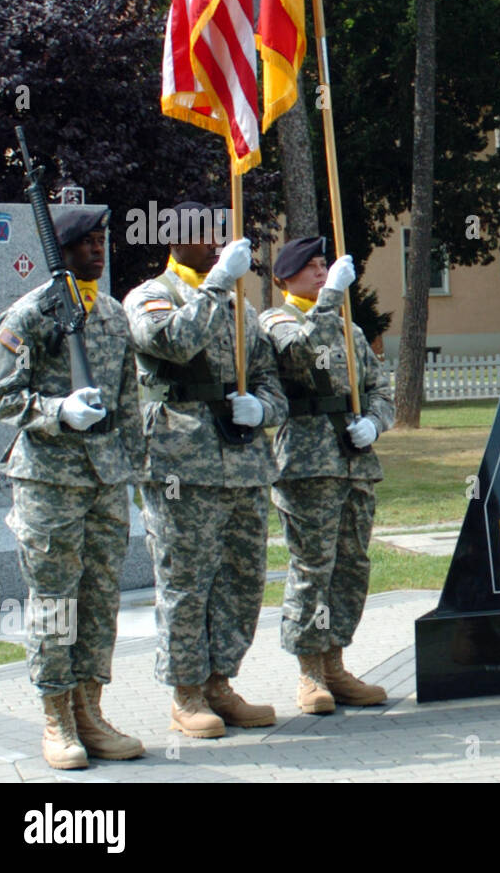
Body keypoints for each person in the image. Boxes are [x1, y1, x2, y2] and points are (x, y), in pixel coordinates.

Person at [0, 206, 145, 770]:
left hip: (104, 479)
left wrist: (140, 473)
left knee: (100, 600)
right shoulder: (31, 314)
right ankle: (56, 719)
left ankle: (91, 713)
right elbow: (2, 396)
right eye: (86, 243)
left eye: (103, 242)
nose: (98, 251)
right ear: (62, 251)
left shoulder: (112, 314)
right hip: (48, 481)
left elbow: (129, 402)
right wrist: (58, 410)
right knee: (55, 602)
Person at [123, 202, 286, 738]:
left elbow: (269, 379)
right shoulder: (150, 296)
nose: (219, 244)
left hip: (242, 463)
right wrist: (216, 284)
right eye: (208, 236)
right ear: (175, 240)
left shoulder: (243, 309)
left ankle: (220, 682)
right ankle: (186, 692)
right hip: (179, 464)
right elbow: (171, 341)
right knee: (185, 581)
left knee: (241, 581)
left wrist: (263, 409)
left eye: (222, 236)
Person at [260, 237, 393, 713]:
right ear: (284, 278)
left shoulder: (349, 331)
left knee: (351, 567)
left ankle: (335, 661)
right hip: (307, 465)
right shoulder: (275, 321)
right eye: (311, 268)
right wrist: (332, 295)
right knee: (311, 568)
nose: (321, 273)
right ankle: (309, 672)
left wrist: (375, 422)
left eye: (325, 266)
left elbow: (379, 388)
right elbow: (297, 354)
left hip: (355, 464)